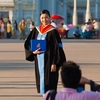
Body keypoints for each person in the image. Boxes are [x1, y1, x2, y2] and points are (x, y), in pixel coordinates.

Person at [24, 9, 66, 96]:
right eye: (42, 18)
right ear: (40, 18)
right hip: (39, 61)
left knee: (50, 84)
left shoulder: (53, 31)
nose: (44, 20)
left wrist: (54, 63)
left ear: (49, 18)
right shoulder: (36, 30)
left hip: (49, 62)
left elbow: (57, 48)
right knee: (42, 85)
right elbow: (27, 43)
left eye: (46, 17)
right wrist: (33, 52)